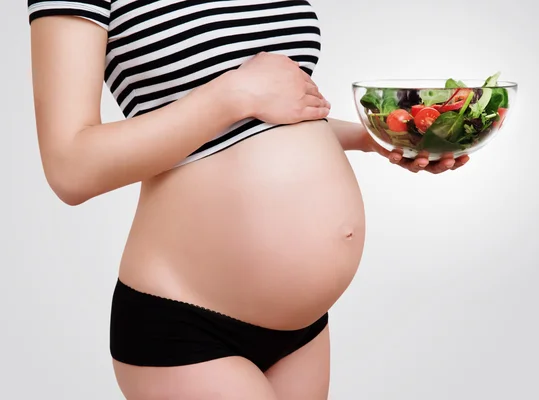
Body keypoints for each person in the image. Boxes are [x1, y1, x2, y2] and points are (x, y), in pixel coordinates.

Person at [27, 1, 469, 398]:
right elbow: (71, 167)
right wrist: (234, 93)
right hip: (188, 322)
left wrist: (378, 138)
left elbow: (258, 126)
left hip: (303, 329)